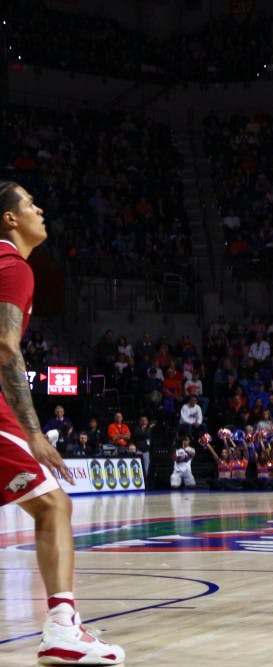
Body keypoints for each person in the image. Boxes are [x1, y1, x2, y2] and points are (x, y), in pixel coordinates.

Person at [0, 181, 124, 663]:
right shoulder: (13, 266)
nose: (40, 209)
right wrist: (33, 432)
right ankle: (61, 628)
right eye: (30, 204)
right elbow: (6, 346)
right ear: (10, 218)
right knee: (54, 505)